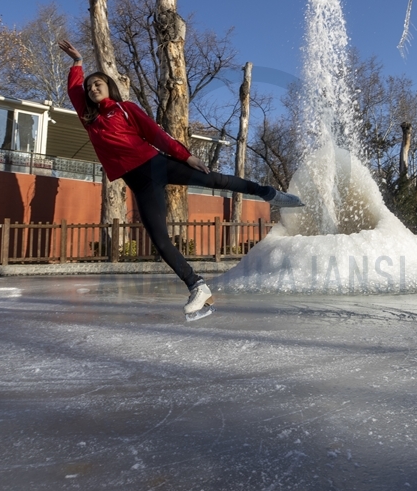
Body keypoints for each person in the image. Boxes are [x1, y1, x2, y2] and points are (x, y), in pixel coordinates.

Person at [58, 39, 304, 318]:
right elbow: (74, 91)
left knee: (216, 181)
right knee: (160, 240)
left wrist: (186, 157)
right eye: (89, 87)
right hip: (137, 182)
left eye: (97, 84)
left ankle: (268, 193)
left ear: (109, 86)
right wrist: (77, 63)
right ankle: (198, 287)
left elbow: (155, 134)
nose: (92, 89)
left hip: (157, 164)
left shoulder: (126, 108)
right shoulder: (89, 118)